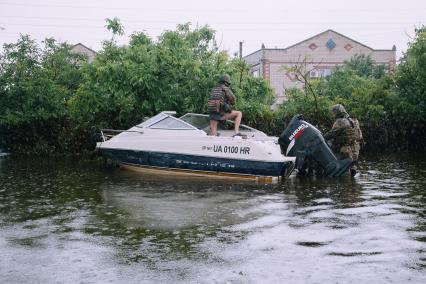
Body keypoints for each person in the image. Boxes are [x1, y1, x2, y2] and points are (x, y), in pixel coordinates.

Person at [324, 104, 363, 176]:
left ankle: (345, 184)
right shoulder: (355, 121)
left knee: (344, 172)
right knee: (352, 168)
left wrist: (322, 137)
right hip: (355, 149)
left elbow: (331, 134)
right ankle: (352, 185)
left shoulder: (340, 122)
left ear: (337, 112)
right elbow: (360, 136)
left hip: (346, 150)